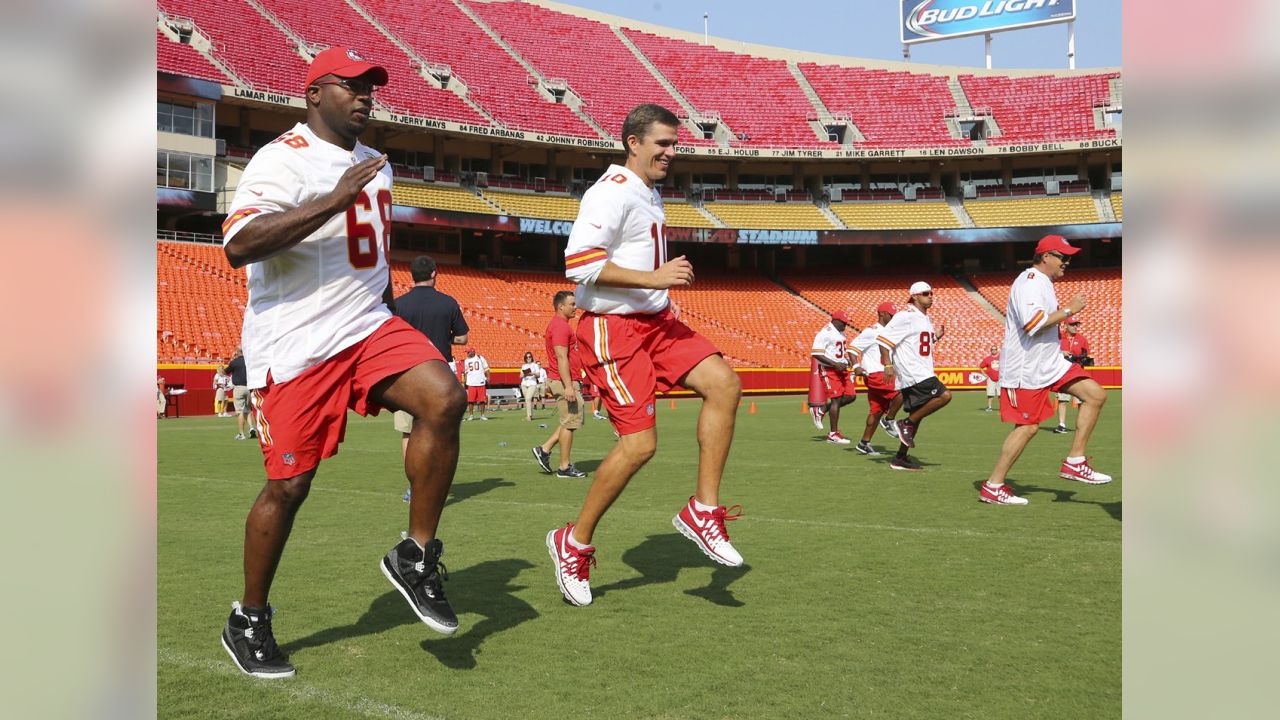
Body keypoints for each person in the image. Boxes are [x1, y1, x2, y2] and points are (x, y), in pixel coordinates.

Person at [217, 47, 467, 679]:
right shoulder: (281, 159)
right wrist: (331, 200)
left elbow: (371, 259)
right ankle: (248, 616)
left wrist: (387, 315)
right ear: (314, 94)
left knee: (445, 396)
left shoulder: (373, 166)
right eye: (351, 86)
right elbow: (239, 244)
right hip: (297, 342)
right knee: (289, 486)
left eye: (371, 87)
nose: (365, 96)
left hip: (367, 325)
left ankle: (416, 553)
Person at [546, 103, 745, 607]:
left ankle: (703, 509)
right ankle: (574, 541)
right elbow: (579, 263)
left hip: (657, 322)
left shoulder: (648, 192)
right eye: (662, 143)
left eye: (674, 144)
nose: (671, 153)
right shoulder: (609, 192)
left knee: (726, 384)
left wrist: (658, 287)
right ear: (633, 142)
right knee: (639, 447)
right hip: (615, 330)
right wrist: (653, 278)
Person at [981, 236, 1112, 505]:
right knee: (1028, 428)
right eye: (1063, 256)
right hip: (1025, 369)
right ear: (1045, 257)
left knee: (1095, 395)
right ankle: (993, 485)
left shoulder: (1043, 283)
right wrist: (1069, 310)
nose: (1067, 262)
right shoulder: (1029, 282)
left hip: (1049, 363)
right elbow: (1033, 325)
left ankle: (1075, 461)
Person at [392, 254, 468, 502]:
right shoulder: (447, 303)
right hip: (439, 373)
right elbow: (462, 338)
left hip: (407, 373)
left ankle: (413, 487)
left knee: (408, 433)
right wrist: (443, 338)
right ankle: (435, 486)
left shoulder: (399, 304)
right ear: (434, 273)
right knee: (440, 432)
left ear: (412, 275)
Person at [878, 281, 950, 471]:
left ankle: (900, 458)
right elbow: (884, 341)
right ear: (915, 296)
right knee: (944, 396)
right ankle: (904, 423)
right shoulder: (905, 316)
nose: (930, 296)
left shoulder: (923, 317)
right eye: (926, 293)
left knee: (917, 416)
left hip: (921, 370)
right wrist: (887, 364)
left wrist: (935, 338)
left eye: (932, 293)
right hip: (914, 372)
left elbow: (917, 344)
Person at [532, 291, 588, 478]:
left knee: (569, 419)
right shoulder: (560, 327)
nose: (575, 307)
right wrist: (569, 386)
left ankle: (545, 449)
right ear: (560, 306)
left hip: (566, 379)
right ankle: (564, 467)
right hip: (565, 380)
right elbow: (561, 357)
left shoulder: (561, 325)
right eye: (572, 304)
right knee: (571, 422)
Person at [848, 302, 904, 456]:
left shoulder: (890, 332)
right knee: (904, 391)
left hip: (883, 374)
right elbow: (852, 349)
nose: (893, 318)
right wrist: (855, 366)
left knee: (876, 410)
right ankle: (889, 420)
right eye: (891, 315)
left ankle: (864, 443)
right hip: (877, 374)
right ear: (882, 314)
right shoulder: (871, 331)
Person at [810, 310, 857, 444]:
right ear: (835, 321)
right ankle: (833, 434)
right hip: (829, 369)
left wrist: (845, 360)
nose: (845, 325)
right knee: (836, 400)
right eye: (844, 323)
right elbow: (816, 353)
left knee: (851, 396)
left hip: (841, 368)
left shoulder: (840, 332)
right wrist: (834, 364)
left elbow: (838, 350)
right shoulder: (825, 333)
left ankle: (821, 409)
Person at [1054, 317, 1090, 433]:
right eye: (1072, 324)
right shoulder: (1059, 338)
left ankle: (1081, 426)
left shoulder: (1082, 339)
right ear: (1066, 326)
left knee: (1080, 401)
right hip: (1063, 373)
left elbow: (1086, 355)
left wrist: (1079, 357)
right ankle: (1061, 425)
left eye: (1076, 324)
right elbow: (1051, 352)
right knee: (1063, 400)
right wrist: (1061, 353)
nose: (1075, 327)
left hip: (1077, 373)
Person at [225, 348, 255, 440]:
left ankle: (241, 434)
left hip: (239, 388)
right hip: (249, 387)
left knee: (240, 411)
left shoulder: (235, 362)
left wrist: (232, 359)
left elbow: (226, 371)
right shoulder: (249, 361)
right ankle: (252, 428)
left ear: (238, 352)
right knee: (248, 409)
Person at [461, 347, 490, 421]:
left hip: (480, 381)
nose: (467, 354)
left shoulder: (480, 358)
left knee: (482, 400)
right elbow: (466, 372)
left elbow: (486, 369)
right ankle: (471, 415)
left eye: (468, 352)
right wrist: (465, 382)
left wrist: (488, 377)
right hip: (471, 383)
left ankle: (482, 415)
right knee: (471, 400)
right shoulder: (466, 361)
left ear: (472, 352)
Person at [519, 351, 542, 421]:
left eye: (529, 357)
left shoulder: (535, 365)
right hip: (524, 384)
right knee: (527, 400)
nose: (528, 358)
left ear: (532, 357)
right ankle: (530, 415)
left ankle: (528, 416)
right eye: (527, 357)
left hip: (532, 383)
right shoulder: (524, 366)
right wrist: (525, 374)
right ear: (525, 358)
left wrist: (533, 373)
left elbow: (538, 375)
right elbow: (520, 376)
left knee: (528, 399)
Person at [978, 346, 1001, 412]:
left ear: (997, 350)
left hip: (1000, 378)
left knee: (1001, 395)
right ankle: (989, 407)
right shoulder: (987, 359)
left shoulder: (1001, 358)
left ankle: (1001, 408)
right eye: (992, 349)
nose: (994, 350)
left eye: (995, 349)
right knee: (990, 394)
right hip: (991, 378)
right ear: (990, 350)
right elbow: (981, 366)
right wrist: (984, 374)